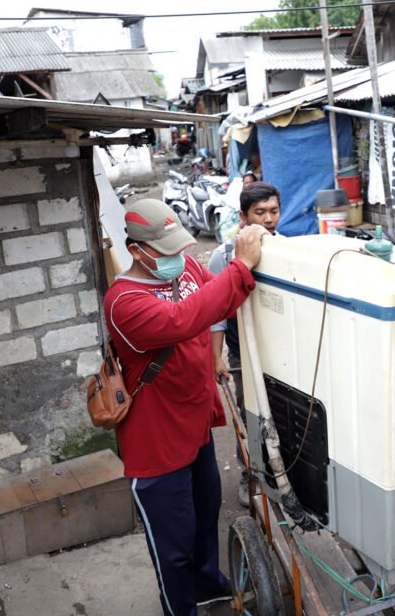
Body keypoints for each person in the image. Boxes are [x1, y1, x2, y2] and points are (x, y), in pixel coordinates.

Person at [104, 198, 267, 616]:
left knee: (204, 515)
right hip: (157, 444)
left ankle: (208, 584)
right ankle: (181, 609)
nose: (179, 256)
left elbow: (217, 300)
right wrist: (240, 268)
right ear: (137, 251)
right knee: (171, 544)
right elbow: (185, 318)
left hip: (194, 426)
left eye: (180, 246)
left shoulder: (187, 267)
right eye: (166, 249)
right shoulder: (123, 302)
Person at [207, 182, 281, 507]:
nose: (268, 219)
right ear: (243, 216)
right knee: (250, 414)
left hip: (281, 354)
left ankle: (281, 475)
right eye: (260, 212)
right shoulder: (223, 257)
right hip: (243, 353)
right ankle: (248, 475)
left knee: (280, 413)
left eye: (274, 211)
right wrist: (217, 357)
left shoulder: (286, 250)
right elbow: (215, 313)